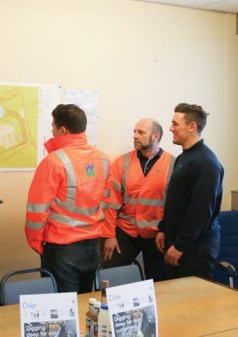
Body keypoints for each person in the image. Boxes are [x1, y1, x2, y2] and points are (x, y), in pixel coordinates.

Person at [25, 104, 111, 293]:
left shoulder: (53, 162)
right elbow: (107, 202)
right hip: (93, 246)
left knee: (62, 306)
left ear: (63, 130)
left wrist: (35, 242)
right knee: (86, 303)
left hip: (62, 249)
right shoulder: (103, 159)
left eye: (53, 126)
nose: (51, 130)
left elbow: (37, 209)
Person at [156, 103, 223, 279]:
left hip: (195, 250)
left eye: (175, 124)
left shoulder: (207, 163)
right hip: (177, 243)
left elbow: (200, 212)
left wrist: (180, 246)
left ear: (192, 126)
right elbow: (176, 200)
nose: (170, 128)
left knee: (192, 296)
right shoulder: (183, 158)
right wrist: (163, 229)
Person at [102, 118, 173, 281]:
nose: (135, 136)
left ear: (155, 136)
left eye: (141, 132)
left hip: (157, 234)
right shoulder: (122, 162)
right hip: (126, 229)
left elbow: (174, 206)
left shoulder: (173, 164)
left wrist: (165, 231)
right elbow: (111, 202)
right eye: (134, 132)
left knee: (159, 282)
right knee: (110, 275)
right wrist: (109, 235)